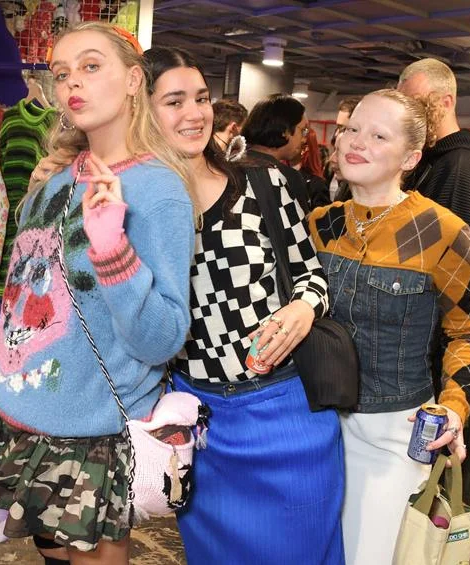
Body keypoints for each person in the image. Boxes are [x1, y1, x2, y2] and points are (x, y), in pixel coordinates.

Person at [0, 22, 195, 565]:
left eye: (90, 66)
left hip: (91, 430)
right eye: (61, 73)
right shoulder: (55, 180)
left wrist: (112, 250)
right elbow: (20, 304)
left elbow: (163, 338)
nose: (71, 83)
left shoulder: (158, 188)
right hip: (22, 412)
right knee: (48, 553)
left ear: (133, 80)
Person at [145, 46, 345, 564]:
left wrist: (303, 309)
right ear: (140, 111)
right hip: (201, 426)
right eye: (173, 101)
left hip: (287, 414)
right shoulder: (136, 206)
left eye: (202, 98)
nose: (195, 114)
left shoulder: (265, 182)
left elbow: (311, 275)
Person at [307, 89, 470, 564]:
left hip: (393, 434)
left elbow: (466, 333)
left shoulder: (444, 231)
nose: (355, 142)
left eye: (378, 135)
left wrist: (455, 408)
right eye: (351, 129)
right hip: (315, 426)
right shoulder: (319, 225)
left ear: (410, 156)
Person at [398, 58, 470, 356]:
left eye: (417, 103)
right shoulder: (434, 159)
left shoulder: (461, 165)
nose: (410, 115)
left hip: (439, 344)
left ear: (446, 102)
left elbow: (452, 267)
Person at [242, 94, 329, 211]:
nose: (304, 139)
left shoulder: (227, 165)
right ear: (285, 130)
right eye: (303, 131)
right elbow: (297, 228)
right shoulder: (287, 179)